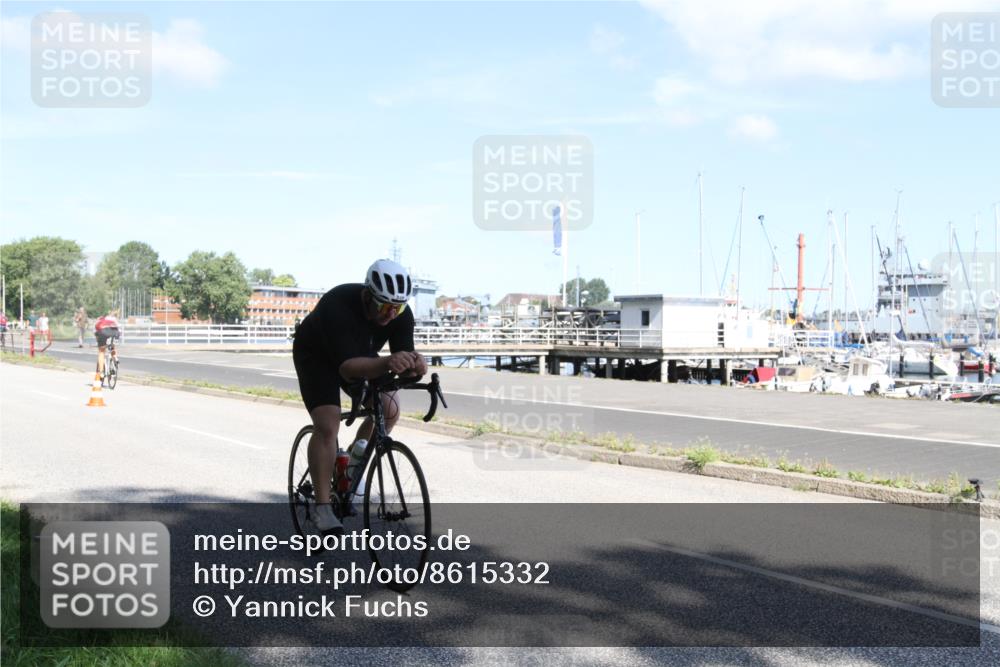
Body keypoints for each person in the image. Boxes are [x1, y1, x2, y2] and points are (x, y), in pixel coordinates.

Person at [292, 259, 426, 536]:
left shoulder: (401, 314)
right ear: (367, 295)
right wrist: (389, 362)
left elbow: (401, 360)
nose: (390, 314)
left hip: (358, 355)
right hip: (317, 356)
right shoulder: (338, 303)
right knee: (328, 424)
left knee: (389, 409)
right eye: (384, 306)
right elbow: (347, 368)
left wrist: (416, 366)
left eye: (397, 307)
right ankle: (322, 506)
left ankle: (352, 463)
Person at [94, 310, 121, 376]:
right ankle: (115, 358)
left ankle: (101, 372)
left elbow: (96, 333)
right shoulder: (112, 320)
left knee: (101, 352)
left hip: (103, 331)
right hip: (115, 332)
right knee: (112, 346)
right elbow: (118, 329)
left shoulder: (99, 321)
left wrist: (99, 344)